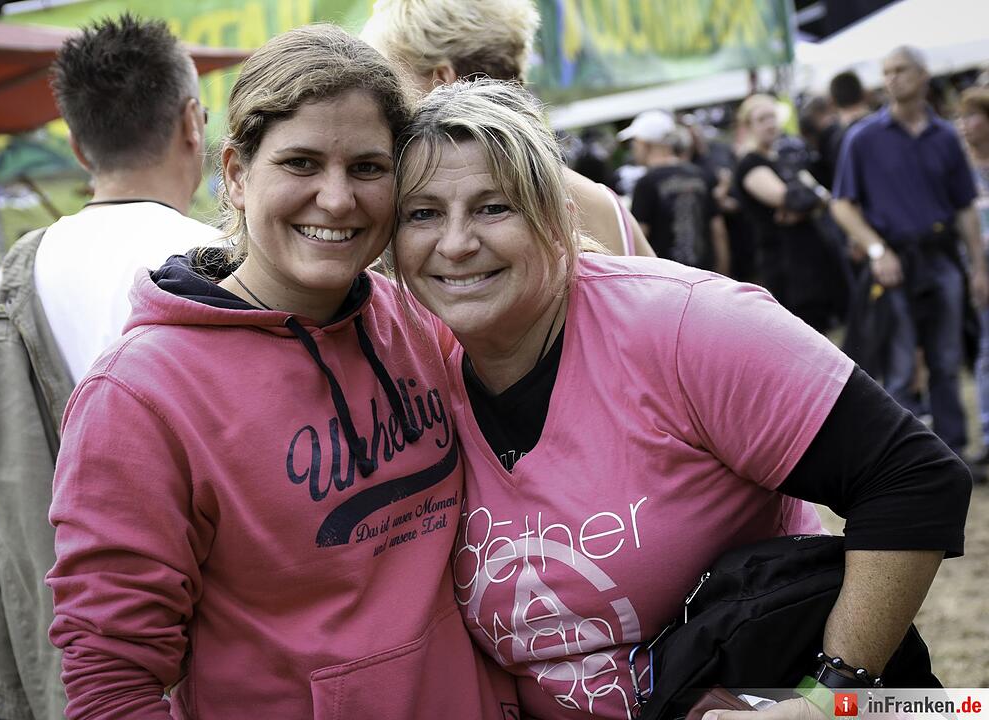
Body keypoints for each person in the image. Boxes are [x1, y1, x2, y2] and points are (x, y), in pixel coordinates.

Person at [392, 78, 969, 720]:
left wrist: (830, 696)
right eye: (422, 213)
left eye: (493, 206)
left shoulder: (682, 326)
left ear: (553, 216)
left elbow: (913, 477)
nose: (455, 243)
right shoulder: (417, 370)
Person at [46, 25, 516, 719]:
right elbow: (111, 682)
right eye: (300, 163)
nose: (336, 199)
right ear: (236, 175)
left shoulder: (414, 318)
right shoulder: (137, 396)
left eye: (366, 167)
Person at [0, 16, 221, 719]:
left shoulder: (10, 283)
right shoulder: (227, 268)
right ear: (193, 122)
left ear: (74, 140)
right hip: (210, 668)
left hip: (61, 670)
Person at [361, 0, 654, 258]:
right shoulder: (605, 204)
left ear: (442, 82)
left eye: (394, 83)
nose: (388, 105)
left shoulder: (413, 223)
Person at [832, 45, 988, 458]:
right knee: (899, 368)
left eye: (900, 70)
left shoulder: (946, 138)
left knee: (947, 362)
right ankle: (908, 464)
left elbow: (963, 208)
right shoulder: (863, 137)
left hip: (941, 257)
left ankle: (953, 454)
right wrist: (877, 249)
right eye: (885, 72)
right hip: (894, 259)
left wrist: (978, 267)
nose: (891, 79)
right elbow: (842, 204)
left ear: (922, 75)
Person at [734, 94, 844, 332]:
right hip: (788, 267)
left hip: (811, 260)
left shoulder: (778, 157)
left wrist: (809, 200)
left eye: (772, 116)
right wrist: (805, 199)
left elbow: (817, 196)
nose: (770, 124)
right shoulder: (750, 164)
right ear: (748, 127)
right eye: (762, 119)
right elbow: (796, 199)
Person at [621, 111, 730, 275]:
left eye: (634, 143)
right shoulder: (700, 175)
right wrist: (723, 273)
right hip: (706, 277)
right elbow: (718, 230)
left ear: (645, 143)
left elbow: (639, 237)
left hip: (668, 281)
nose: (634, 149)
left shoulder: (646, 183)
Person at [959, 87, 989, 473]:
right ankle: (986, 432)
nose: (966, 125)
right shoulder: (961, 167)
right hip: (979, 266)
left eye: (972, 115)